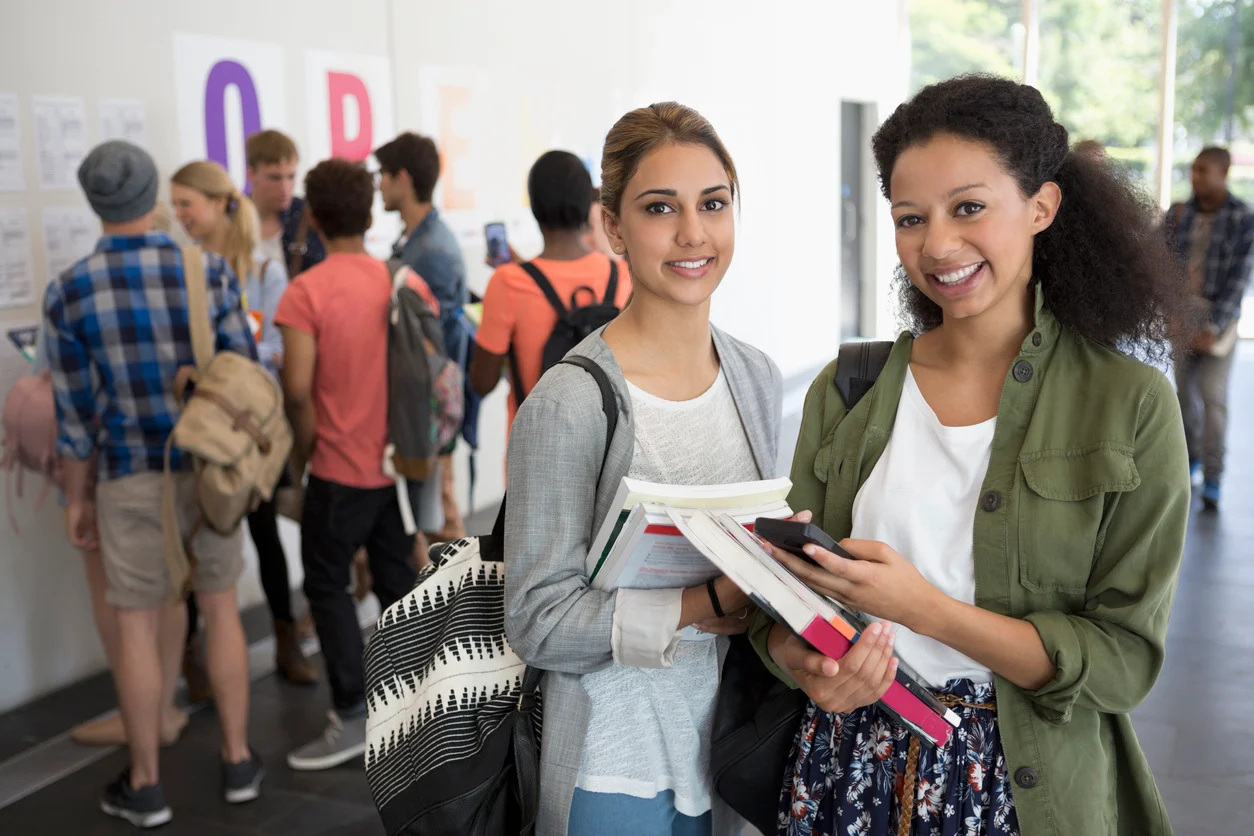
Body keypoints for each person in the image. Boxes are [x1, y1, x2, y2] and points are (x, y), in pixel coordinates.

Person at [750, 76, 1191, 836]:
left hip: (1024, 788)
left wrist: (925, 610)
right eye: (910, 218)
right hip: (847, 769)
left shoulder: (1129, 404)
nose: (938, 245)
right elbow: (783, 612)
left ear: (1042, 207)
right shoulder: (850, 389)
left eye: (970, 208)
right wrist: (809, 664)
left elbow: (1121, 662)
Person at [503, 103, 781, 836]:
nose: (694, 233)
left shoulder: (755, 375)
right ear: (614, 227)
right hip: (613, 764)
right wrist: (700, 604)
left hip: (726, 757)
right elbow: (536, 620)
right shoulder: (570, 401)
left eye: (713, 204)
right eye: (662, 208)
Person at [45, 140, 264, 828]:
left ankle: (146, 785)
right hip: (209, 473)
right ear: (154, 198)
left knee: (136, 625)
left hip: (128, 477)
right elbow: (244, 370)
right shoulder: (205, 270)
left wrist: (76, 498)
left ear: (94, 203)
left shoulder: (69, 291)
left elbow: (75, 418)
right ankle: (237, 761)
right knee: (221, 606)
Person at [277, 158, 439, 771]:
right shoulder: (402, 281)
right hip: (396, 469)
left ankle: (350, 714)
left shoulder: (306, 292)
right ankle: (415, 706)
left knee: (327, 584)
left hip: (337, 470)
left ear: (313, 216)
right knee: (398, 586)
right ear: (370, 215)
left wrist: (310, 447)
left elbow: (296, 389)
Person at [170, 160, 318, 686]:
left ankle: (285, 639)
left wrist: (234, 361)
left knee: (262, 532)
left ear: (216, 202)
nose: (181, 215)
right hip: (200, 424)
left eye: (187, 203)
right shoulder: (179, 269)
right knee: (190, 533)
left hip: (252, 427)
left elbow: (277, 347)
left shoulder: (259, 269)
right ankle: (192, 658)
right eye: (176, 205)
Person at [28, 324, 189, 750]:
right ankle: (166, 711)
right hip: (176, 456)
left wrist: (77, 494)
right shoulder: (177, 280)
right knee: (173, 587)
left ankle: (138, 721)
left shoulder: (71, 296)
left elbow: (60, 395)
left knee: (116, 600)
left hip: (106, 465)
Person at [470, 150, 632, 431]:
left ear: (534, 206)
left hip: (535, 452)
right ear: (588, 203)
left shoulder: (507, 283)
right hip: (607, 451)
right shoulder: (623, 276)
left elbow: (482, 383)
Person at [375, 132, 469, 543]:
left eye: (383, 175)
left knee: (439, 529)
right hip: (422, 409)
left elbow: (435, 348)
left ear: (404, 179)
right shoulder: (416, 241)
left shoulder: (430, 250)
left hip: (430, 412)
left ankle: (460, 608)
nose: (378, 184)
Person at [1165, 146, 1254, 510]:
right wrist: (1168, 311)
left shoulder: (1242, 217)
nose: (1195, 176)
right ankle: (1191, 460)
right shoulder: (1179, 213)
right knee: (1184, 397)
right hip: (1181, 317)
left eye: (1203, 170)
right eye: (1193, 170)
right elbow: (1160, 261)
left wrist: (1214, 326)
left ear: (1224, 172)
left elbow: (1240, 277)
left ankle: (1214, 475)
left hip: (1219, 322)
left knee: (1213, 397)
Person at [246, 129, 326, 277]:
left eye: (291, 177)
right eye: (275, 178)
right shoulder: (232, 217)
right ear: (252, 175)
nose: (284, 187)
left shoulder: (309, 215)